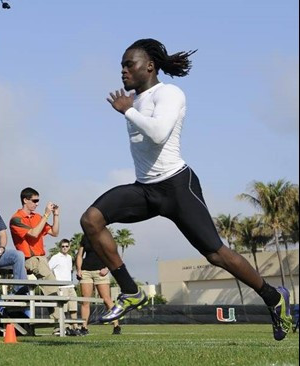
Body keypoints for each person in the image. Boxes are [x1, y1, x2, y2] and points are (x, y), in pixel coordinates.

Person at [79, 38, 292, 341]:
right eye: (121, 66)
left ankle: (273, 297)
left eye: (130, 65)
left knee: (216, 254)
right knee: (91, 220)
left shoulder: (169, 93)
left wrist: (127, 111)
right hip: (145, 190)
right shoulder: (134, 101)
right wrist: (130, 109)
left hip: (177, 186)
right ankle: (130, 291)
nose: (123, 72)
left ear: (149, 66)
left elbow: (158, 133)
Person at [9, 187, 60, 297]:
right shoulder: (16, 219)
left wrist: (56, 215)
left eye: (38, 201)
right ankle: (58, 314)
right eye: (34, 201)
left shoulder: (37, 217)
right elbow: (33, 233)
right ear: (25, 200)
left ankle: (58, 312)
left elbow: (54, 233)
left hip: (41, 258)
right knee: (53, 290)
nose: (37, 204)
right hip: (29, 259)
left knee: (54, 290)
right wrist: (46, 215)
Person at [76, 236, 121, 335]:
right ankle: (84, 327)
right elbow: (80, 255)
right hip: (86, 271)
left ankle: (116, 326)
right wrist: (79, 269)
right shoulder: (85, 237)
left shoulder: (104, 236)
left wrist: (107, 268)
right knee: (85, 300)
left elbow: (112, 254)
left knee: (106, 299)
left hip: (101, 272)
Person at [48, 239, 79, 336]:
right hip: (61, 287)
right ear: (60, 247)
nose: (65, 248)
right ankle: (62, 328)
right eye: (63, 246)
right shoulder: (55, 257)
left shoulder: (70, 257)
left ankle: (75, 327)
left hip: (70, 286)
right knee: (62, 309)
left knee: (73, 308)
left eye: (66, 246)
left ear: (69, 247)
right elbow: (48, 269)